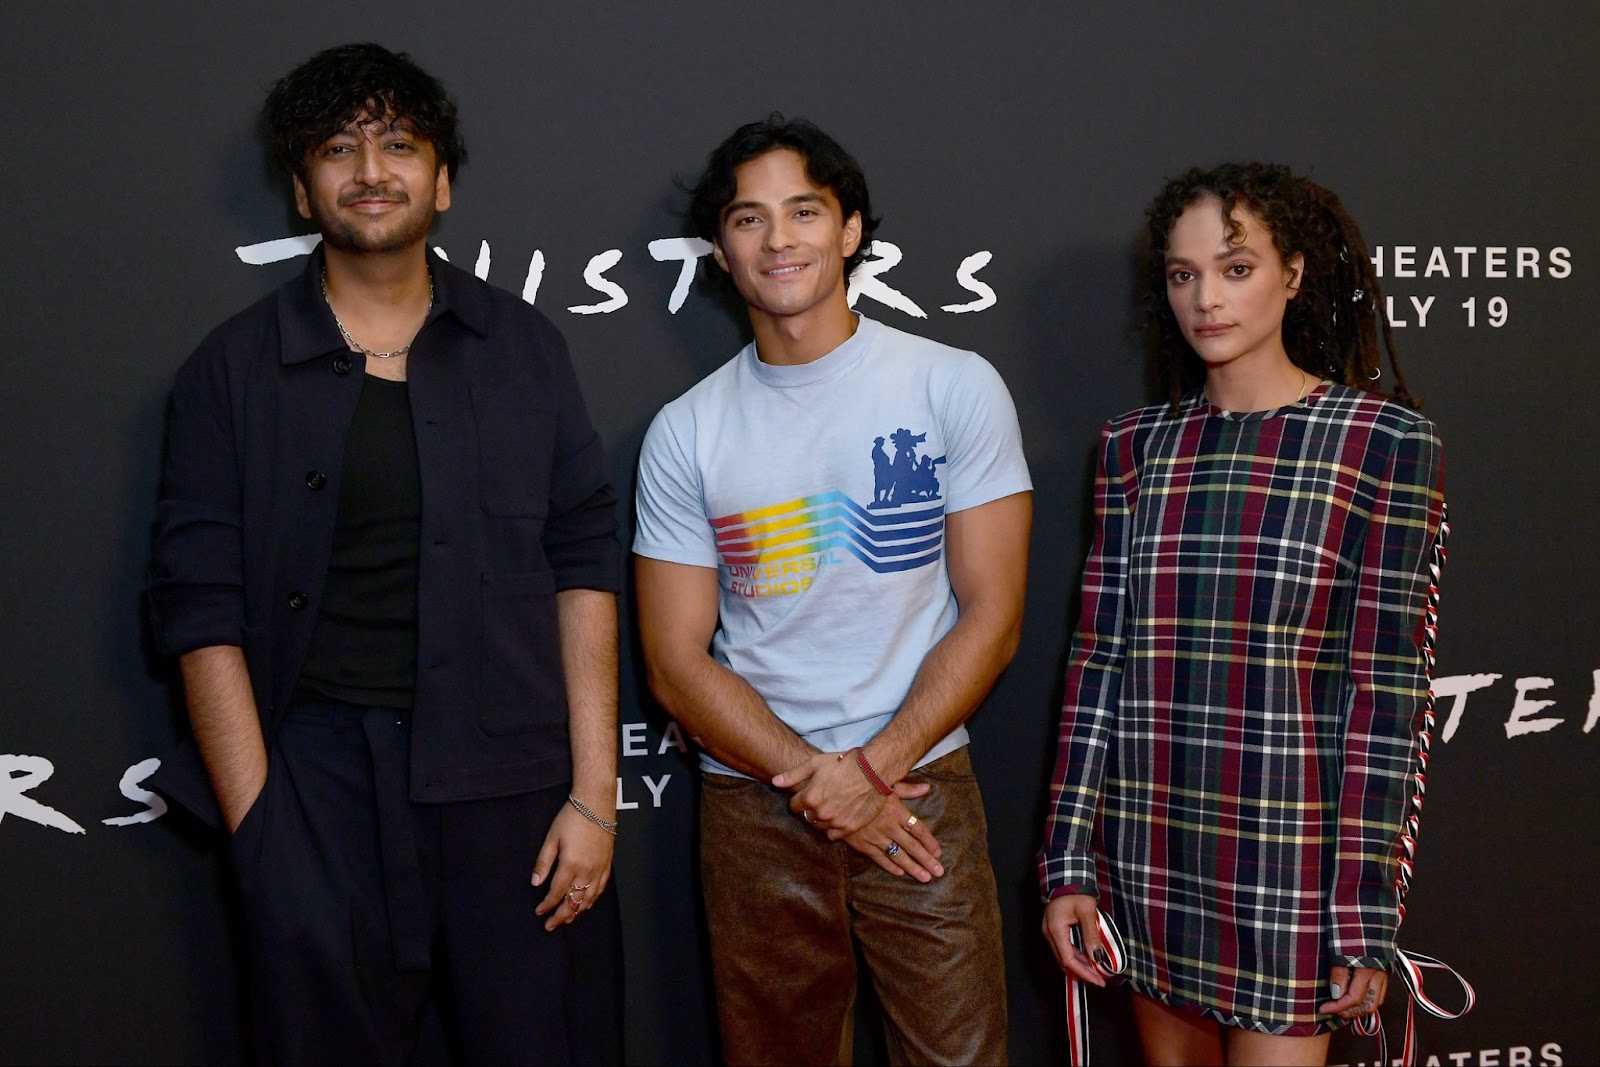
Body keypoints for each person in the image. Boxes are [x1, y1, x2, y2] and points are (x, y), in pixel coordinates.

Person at [146, 43, 622, 1066]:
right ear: (302, 187)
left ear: (442, 180)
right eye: (339, 147)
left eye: (399, 144)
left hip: (514, 790)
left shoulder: (525, 348)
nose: (371, 169)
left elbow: (583, 561)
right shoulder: (230, 371)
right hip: (316, 784)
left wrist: (594, 791)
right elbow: (199, 605)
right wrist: (261, 822)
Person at [634, 114, 1032, 1065]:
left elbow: (996, 610)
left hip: (918, 785)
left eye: (804, 211)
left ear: (850, 229)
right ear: (721, 249)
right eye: (749, 218)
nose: (780, 240)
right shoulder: (685, 432)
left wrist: (872, 771)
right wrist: (817, 782)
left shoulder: (954, 385)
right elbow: (674, 660)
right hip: (753, 803)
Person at [1038, 162, 1448, 1066]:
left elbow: (1385, 699)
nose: (1206, 299)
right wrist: (1069, 863)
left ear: (1293, 274)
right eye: (1183, 275)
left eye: (1234, 268)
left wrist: (1363, 912)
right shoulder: (1134, 446)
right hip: (1148, 849)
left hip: (1288, 862)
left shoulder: (1382, 442)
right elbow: (1100, 660)